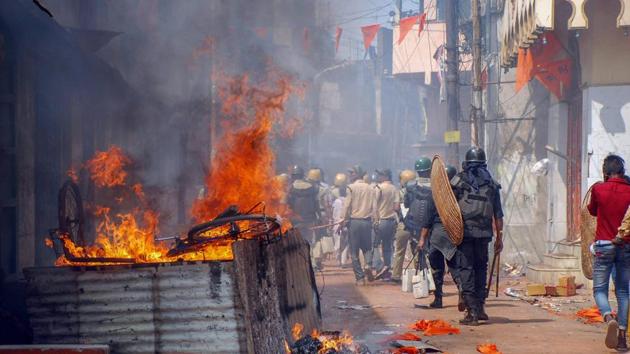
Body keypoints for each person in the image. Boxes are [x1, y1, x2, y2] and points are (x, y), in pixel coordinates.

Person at [451, 147, 504, 326]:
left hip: (464, 233)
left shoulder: (458, 180)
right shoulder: (492, 184)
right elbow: (498, 214)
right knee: (481, 268)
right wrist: (499, 237)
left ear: (467, 163)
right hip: (484, 234)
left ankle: (471, 311)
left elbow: (448, 208)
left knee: (466, 269)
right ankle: (480, 308)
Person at [587, 154, 630, 351]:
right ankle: (622, 338)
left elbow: (593, 211)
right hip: (625, 245)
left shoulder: (598, 188)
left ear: (605, 172)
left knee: (599, 290)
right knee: (622, 291)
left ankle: (607, 316)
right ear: (622, 171)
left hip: (604, 245)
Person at [419, 165, 461, 309]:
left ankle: (438, 299)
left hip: (437, 234)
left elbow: (427, 219)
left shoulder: (436, 193)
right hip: (454, 233)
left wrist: (422, 239)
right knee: (455, 266)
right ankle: (462, 294)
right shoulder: (459, 192)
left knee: (437, 268)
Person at [342, 165, 377, 284]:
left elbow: (347, 205)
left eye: (352, 173)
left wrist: (342, 220)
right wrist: (376, 220)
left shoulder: (350, 187)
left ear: (357, 174)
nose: (350, 175)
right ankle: (368, 265)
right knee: (367, 248)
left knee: (354, 251)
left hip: (354, 222)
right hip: (367, 222)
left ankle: (360, 278)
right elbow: (375, 207)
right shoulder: (371, 188)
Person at [287, 165, 320, 269]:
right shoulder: (312, 188)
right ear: (302, 175)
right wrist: (319, 217)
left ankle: (299, 263)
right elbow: (316, 204)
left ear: (293, 176)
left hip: (296, 220)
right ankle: (312, 263)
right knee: (310, 241)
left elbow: (288, 205)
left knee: (296, 242)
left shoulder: (290, 189)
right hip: (310, 219)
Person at [373, 169, 400, 280]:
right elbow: (396, 207)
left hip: (380, 220)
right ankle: (387, 267)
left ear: (385, 176)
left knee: (373, 245)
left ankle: (379, 267)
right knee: (387, 246)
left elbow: (374, 207)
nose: (378, 176)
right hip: (391, 221)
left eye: (380, 174)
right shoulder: (394, 188)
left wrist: (375, 220)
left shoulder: (378, 188)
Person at [391, 169, 417, 283]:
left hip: (403, 225)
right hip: (416, 225)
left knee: (399, 251)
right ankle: (419, 274)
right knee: (416, 250)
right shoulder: (419, 191)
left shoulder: (400, 192)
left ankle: (396, 276)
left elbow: (396, 208)